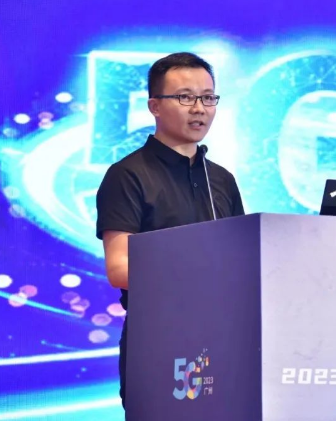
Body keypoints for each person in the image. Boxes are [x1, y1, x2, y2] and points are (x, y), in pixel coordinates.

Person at [95, 52, 245, 408]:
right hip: (159, 341)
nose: (199, 109)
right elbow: (119, 268)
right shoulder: (128, 175)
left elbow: (244, 260)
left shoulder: (221, 179)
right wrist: (201, 275)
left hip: (225, 339)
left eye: (208, 98)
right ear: (154, 106)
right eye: (185, 97)